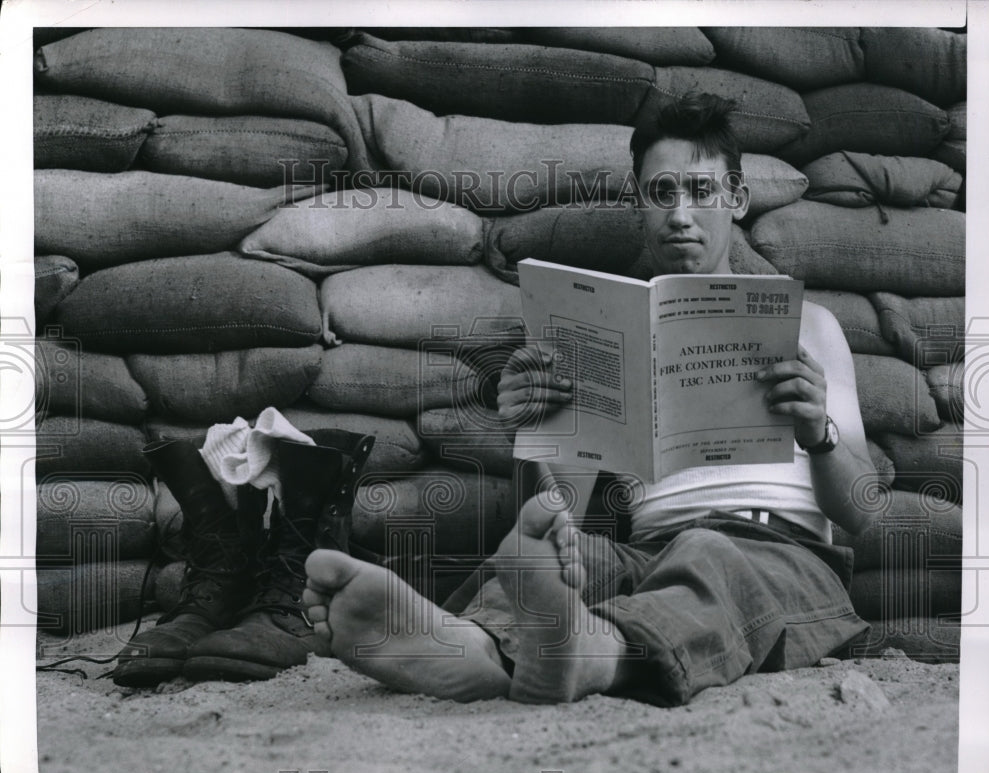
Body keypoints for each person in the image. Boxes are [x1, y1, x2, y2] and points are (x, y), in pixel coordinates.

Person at [301, 92, 876, 705]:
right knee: (565, 557)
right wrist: (533, 432)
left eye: (701, 192)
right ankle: (474, 650)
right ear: (639, 204)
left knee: (709, 553)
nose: (680, 214)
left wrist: (821, 434)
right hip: (648, 553)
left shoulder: (810, 327)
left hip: (782, 556)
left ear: (737, 198)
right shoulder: (607, 334)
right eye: (661, 193)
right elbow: (560, 509)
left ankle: (588, 656)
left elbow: (863, 513)